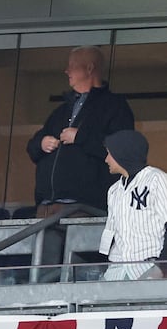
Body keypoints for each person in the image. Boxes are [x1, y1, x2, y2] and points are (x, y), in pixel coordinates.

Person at [26, 46, 134, 216]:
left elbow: (124, 152)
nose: (66, 70)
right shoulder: (61, 111)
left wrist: (81, 137)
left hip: (86, 208)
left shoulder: (114, 107)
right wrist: (41, 143)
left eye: (72, 65)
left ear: (89, 68)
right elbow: (32, 148)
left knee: (81, 244)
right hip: (47, 207)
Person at [99, 130, 167, 281]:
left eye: (109, 153)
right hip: (117, 269)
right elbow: (110, 235)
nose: (106, 159)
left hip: (149, 266)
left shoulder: (157, 179)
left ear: (122, 153)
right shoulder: (114, 190)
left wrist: (162, 268)